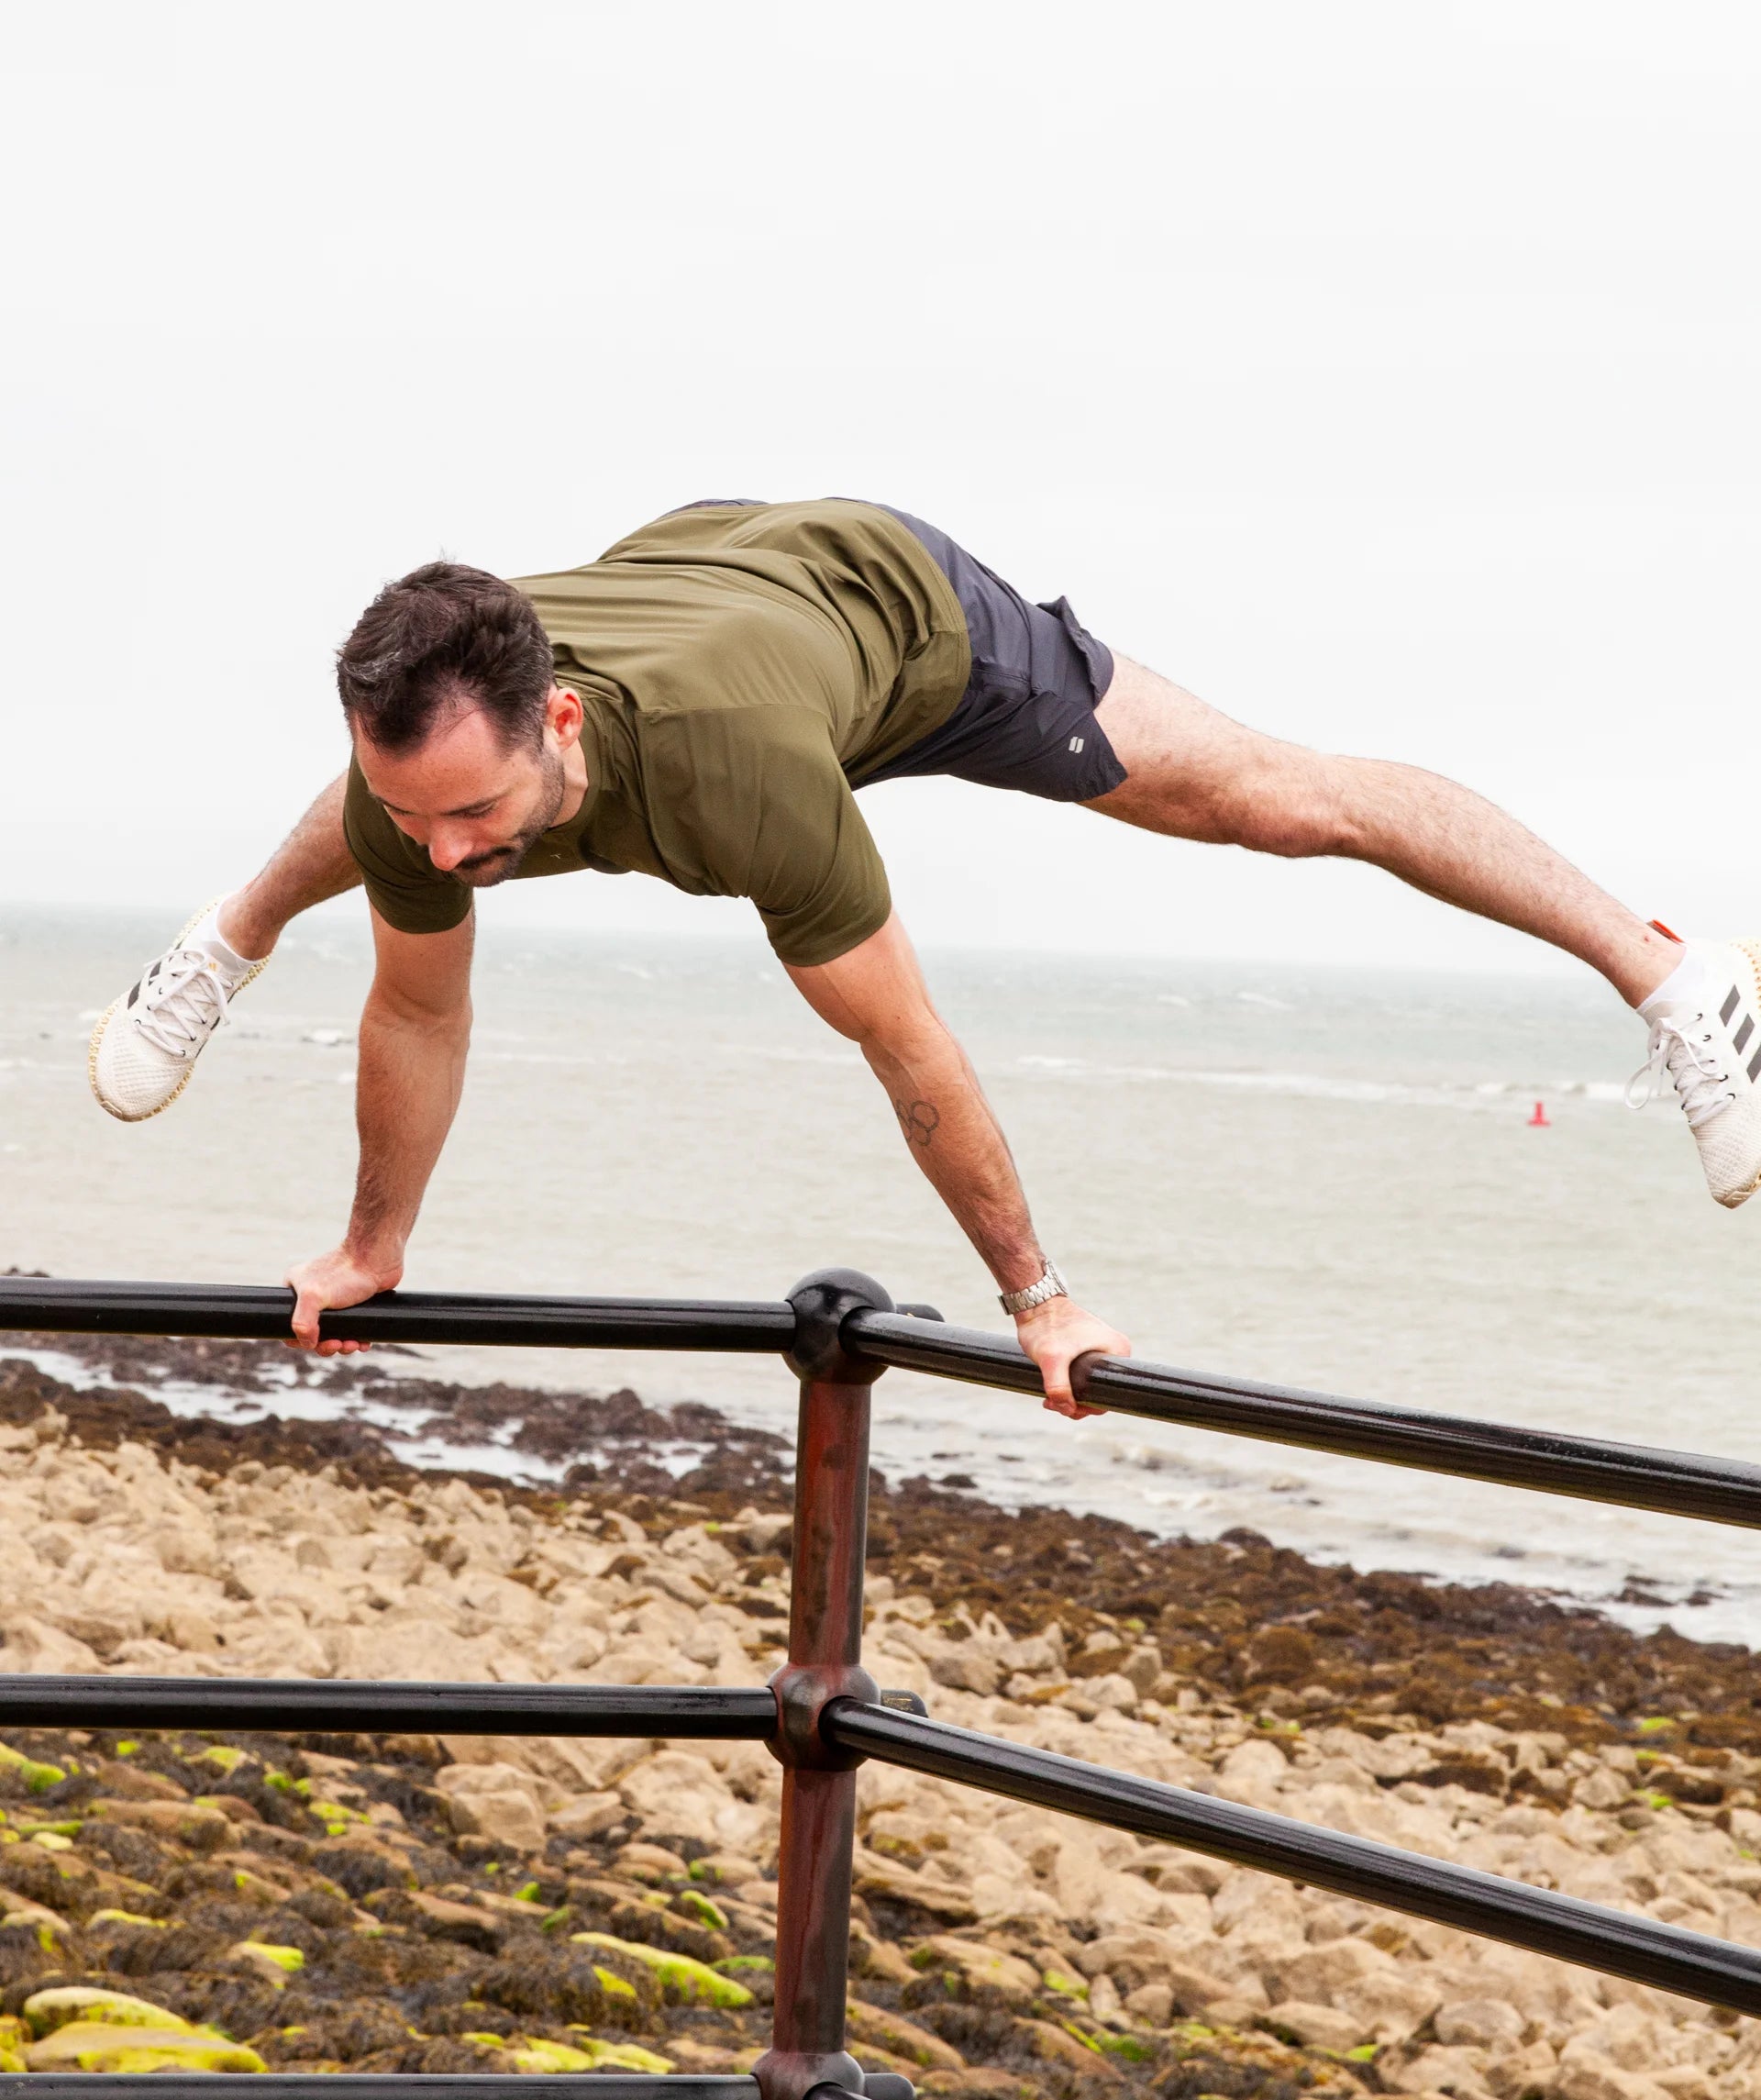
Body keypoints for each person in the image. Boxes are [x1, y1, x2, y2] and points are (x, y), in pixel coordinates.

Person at [87, 498, 1761, 1417]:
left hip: (904, 623)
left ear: (565, 721)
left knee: (1270, 799)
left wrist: (1038, 1300)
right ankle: (226, 936)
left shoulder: (744, 780)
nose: (451, 853)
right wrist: (372, 1245)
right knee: (378, 834)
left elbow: (912, 1051)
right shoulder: (450, 745)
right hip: (703, 572)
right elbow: (418, 1008)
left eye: (478, 812)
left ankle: (1669, 975)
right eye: (425, 813)